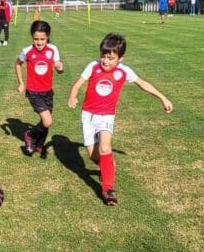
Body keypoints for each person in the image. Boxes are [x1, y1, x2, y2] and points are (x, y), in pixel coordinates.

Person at [68, 33, 173, 206]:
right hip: (87, 115)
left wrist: (163, 98)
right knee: (94, 156)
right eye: (103, 56)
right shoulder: (93, 66)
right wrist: (73, 95)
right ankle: (108, 165)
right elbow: (78, 83)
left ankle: (108, 190)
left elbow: (143, 84)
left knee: (104, 147)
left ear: (120, 59)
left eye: (111, 58)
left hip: (106, 116)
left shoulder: (124, 72)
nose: (105, 61)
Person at [15, 20, 64, 156]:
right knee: (47, 121)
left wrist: (60, 67)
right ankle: (30, 135)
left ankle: (39, 146)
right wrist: (21, 83)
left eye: (42, 39)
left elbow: (59, 68)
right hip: (34, 91)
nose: (39, 42)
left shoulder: (53, 49)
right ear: (32, 37)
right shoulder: (27, 51)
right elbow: (18, 64)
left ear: (47, 37)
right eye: (36, 39)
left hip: (48, 91)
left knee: (45, 122)